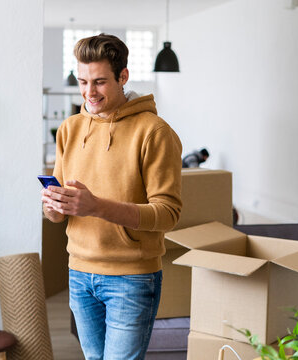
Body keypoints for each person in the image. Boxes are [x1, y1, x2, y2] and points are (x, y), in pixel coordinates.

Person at [41, 33, 183, 360]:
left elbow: (168, 213)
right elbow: (59, 213)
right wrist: (53, 207)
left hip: (131, 278)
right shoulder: (70, 128)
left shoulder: (155, 131)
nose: (89, 92)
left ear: (123, 77)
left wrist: (97, 206)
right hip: (78, 272)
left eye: (100, 82)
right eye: (82, 81)